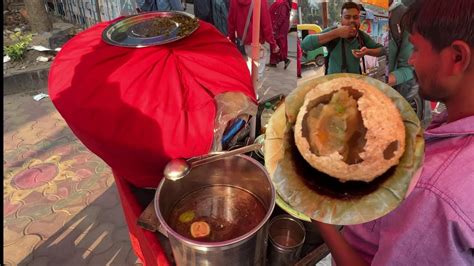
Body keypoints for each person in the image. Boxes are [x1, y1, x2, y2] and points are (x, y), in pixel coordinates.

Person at [313, 0, 474, 265]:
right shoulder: (449, 127)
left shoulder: (433, 193)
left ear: (457, 58)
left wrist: (317, 212)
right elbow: (309, 44)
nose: (411, 59)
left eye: (418, 49)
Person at [301, 2, 384, 75]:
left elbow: (382, 50)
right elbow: (305, 45)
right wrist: (337, 33)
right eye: (347, 17)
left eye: (355, 17)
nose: (352, 20)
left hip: (354, 82)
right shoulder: (333, 31)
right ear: (341, 20)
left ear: (359, 20)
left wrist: (367, 51)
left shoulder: (362, 36)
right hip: (334, 83)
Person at [388, 0, 431, 128]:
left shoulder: (405, 17)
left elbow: (409, 68)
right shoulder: (362, 13)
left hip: (400, 94)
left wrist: (384, 80)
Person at [227, 0, 279, 84]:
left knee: (250, 68)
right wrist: (273, 44)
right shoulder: (260, 1)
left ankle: (249, 90)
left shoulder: (234, 1)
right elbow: (266, 23)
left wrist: (232, 39)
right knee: (258, 73)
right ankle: (254, 94)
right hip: (259, 42)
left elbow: (231, 20)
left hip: (245, 41)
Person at [268, 0, 291, 69]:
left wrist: (275, 27)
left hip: (279, 28)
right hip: (280, 27)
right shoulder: (282, 3)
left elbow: (281, 16)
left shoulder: (283, 3)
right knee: (277, 44)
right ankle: (273, 62)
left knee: (278, 44)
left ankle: (284, 59)